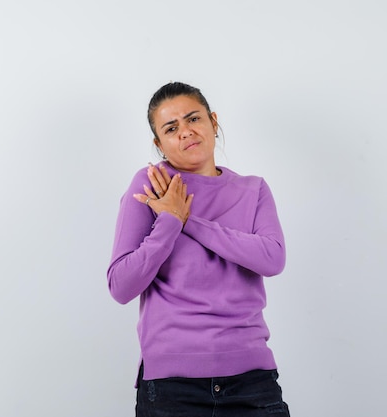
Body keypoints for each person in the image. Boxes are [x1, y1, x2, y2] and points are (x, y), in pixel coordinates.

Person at [107, 81, 290, 416]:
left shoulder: (253, 189)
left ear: (213, 122)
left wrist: (186, 219)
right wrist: (167, 223)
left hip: (251, 379)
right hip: (172, 386)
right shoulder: (150, 186)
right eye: (171, 128)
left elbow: (272, 257)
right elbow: (121, 285)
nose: (186, 132)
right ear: (159, 143)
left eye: (194, 119)